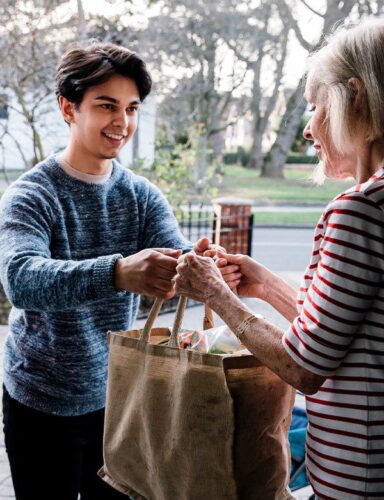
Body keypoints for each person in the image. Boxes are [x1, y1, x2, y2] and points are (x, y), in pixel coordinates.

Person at [175, 18, 384, 500]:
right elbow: (341, 339)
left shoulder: (359, 209)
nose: (309, 129)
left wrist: (216, 294)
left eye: (314, 107)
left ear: (355, 96)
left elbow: (305, 367)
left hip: (360, 479)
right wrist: (266, 286)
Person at [0, 42, 213, 500]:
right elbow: (21, 279)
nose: (123, 123)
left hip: (122, 399)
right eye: (106, 106)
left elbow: (174, 262)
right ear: (67, 108)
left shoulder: (141, 195)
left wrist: (198, 266)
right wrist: (116, 272)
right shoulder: (31, 195)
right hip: (40, 401)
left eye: (132, 108)